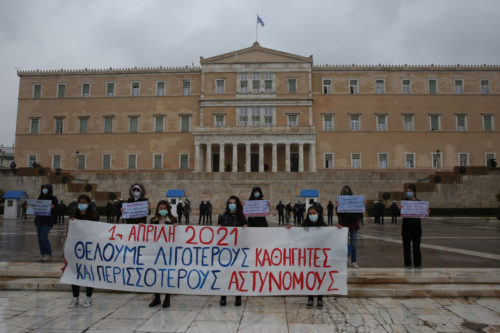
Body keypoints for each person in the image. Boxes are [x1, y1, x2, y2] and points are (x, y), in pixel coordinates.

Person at [287, 205, 341, 307]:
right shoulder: (305, 226)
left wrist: (338, 230)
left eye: (314, 213)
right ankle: (310, 297)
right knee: (310, 277)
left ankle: (320, 298)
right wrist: (290, 229)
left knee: (320, 277)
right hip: (309, 256)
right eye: (310, 214)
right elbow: (297, 236)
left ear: (318, 214)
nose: (312, 215)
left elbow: (331, 237)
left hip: (320, 256)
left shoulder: (324, 227)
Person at [68, 194, 99, 308]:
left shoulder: (94, 216)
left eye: (84, 202)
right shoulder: (73, 217)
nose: (82, 204)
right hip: (76, 249)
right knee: (75, 273)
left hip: (89, 248)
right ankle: (75, 297)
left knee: (88, 272)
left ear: (89, 203)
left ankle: (88, 297)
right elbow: (69, 234)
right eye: (80, 202)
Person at [218, 195, 247, 306]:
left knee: (237, 274)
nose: (232, 204)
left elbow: (247, 232)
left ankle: (237, 296)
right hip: (225, 251)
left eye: (234, 202)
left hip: (237, 251)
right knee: (225, 273)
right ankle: (223, 296)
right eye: (230, 202)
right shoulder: (223, 216)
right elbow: (218, 232)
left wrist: (245, 228)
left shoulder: (242, 217)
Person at [148, 200, 177, 308]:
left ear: (168, 209)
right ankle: (156, 298)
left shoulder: (173, 220)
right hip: (156, 252)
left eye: (165, 209)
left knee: (167, 275)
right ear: (158, 209)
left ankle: (167, 298)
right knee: (156, 275)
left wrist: (177, 227)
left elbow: (178, 235)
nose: (163, 210)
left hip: (168, 253)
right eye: (161, 209)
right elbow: (149, 234)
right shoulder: (153, 221)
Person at [400, 184, 428, 269]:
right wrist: (399, 208)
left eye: (410, 191)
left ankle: (418, 264)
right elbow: (399, 213)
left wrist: (426, 211)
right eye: (407, 191)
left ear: (414, 192)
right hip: (406, 226)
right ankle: (408, 264)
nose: (408, 193)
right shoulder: (403, 202)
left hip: (416, 226)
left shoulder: (419, 202)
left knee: (416, 246)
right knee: (406, 246)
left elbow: (423, 213)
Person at [336, 185, 362, 269]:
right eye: (344, 191)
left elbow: (359, 212)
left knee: (353, 244)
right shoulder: (340, 201)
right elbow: (339, 214)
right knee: (344, 244)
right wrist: (337, 207)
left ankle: (354, 261)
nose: (346, 192)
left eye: (347, 190)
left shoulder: (355, 201)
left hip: (353, 224)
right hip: (343, 225)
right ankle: (344, 260)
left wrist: (362, 205)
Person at [33, 184, 58, 261]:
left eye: (46, 188)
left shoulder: (53, 198)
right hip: (39, 220)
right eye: (43, 188)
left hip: (48, 221)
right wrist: (30, 207)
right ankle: (42, 254)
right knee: (40, 237)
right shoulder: (40, 197)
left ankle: (48, 253)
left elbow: (57, 210)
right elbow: (36, 207)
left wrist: (53, 208)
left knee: (43, 235)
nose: (44, 190)